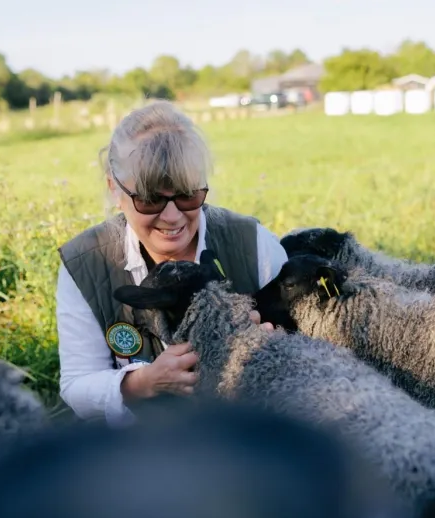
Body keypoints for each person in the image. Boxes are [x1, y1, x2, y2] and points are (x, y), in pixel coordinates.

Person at [55, 100, 288, 425]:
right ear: (114, 188)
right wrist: (142, 383)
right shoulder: (86, 264)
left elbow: (310, 348)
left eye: (187, 195)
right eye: (149, 200)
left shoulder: (253, 244)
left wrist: (273, 342)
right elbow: (77, 385)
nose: (172, 217)